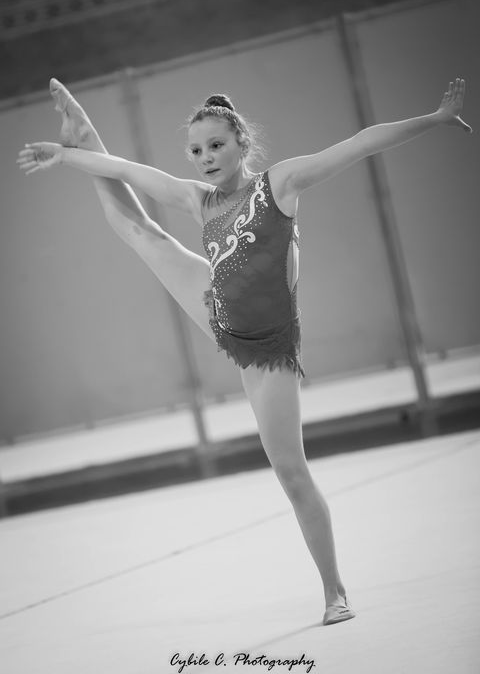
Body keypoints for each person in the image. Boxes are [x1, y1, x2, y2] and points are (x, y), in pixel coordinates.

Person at [17, 77, 470, 625]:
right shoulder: (199, 199)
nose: (205, 158)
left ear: (242, 144)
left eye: (216, 146)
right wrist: (70, 153)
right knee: (138, 231)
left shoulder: (280, 185)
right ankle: (84, 128)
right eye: (196, 150)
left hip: (268, 352)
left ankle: (335, 591)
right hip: (218, 310)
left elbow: (359, 143)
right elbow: (131, 173)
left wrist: (433, 119)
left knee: (292, 474)